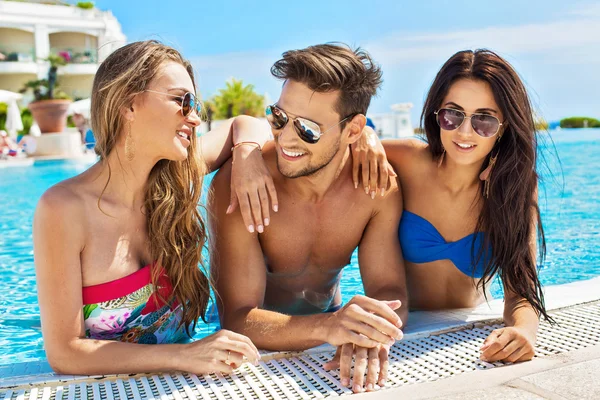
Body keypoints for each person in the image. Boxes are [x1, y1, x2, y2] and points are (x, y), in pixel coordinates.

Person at [33, 40, 279, 376]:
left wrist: (248, 155)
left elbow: (247, 123)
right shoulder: (64, 209)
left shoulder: (174, 181)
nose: (194, 117)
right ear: (128, 103)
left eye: (196, 105)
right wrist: (184, 355)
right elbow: (65, 352)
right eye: (182, 101)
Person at [208, 44, 407, 394]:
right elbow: (237, 318)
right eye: (280, 117)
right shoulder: (241, 185)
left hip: (328, 318)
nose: (286, 138)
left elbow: (389, 290)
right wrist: (331, 327)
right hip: (258, 338)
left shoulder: (374, 188)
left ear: (354, 130)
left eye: (308, 130)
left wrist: (370, 331)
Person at [352, 49, 551, 364]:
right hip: (401, 323)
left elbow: (520, 291)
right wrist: (365, 134)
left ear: (505, 126)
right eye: (453, 114)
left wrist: (524, 333)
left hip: (467, 329)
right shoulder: (407, 160)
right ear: (436, 113)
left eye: (484, 119)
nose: (464, 131)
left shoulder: (515, 187)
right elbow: (332, 147)